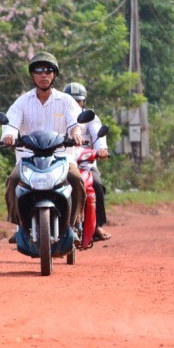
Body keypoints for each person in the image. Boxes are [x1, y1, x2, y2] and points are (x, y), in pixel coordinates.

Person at [0, 52, 86, 237]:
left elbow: (75, 123)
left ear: (54, 75)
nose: (43, 75)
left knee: (77, 180)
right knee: (13, 180)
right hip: (28, 158)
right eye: (38, 71)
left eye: (48, 70)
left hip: (61, 157)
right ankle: (19, 225)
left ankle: (74, 223)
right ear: (32, 75)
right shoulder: (22, 101)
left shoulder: (66, 100)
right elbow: (11, 122)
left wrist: (76, 134)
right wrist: (9, 135)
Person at [63, 82, 111, 242]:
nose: (75, 104)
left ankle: (96, 225)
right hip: (63, 161)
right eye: (71, 100)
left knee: (96, 184)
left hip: (86, 163)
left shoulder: (91, 118)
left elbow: (98, 136)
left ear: (84, 102)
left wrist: (101, 149)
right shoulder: (59, 116)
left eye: (79, 101)